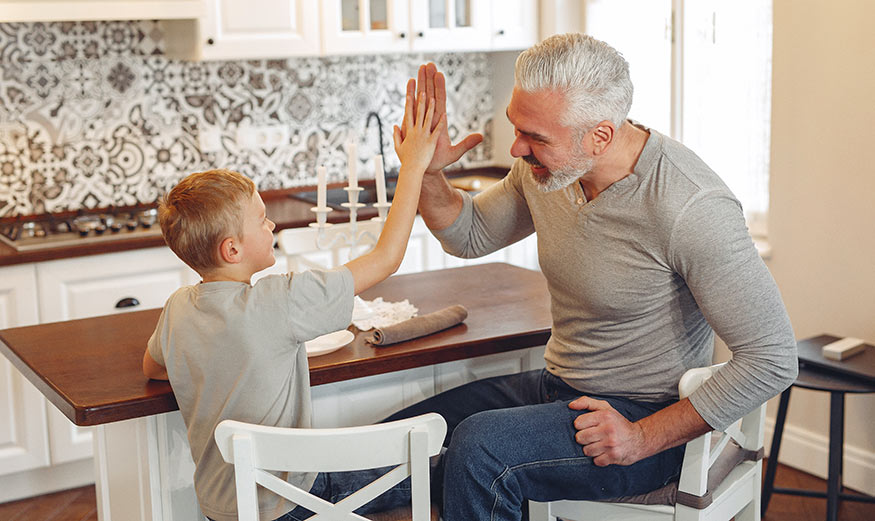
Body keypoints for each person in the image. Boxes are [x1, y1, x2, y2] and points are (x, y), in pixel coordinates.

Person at [385, 33, 798, 521]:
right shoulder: (547, 172)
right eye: (517, 128)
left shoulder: (690, 205)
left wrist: (641, 437)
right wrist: (428, 173)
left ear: (599, 136)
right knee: (408, 435)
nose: (517, 147)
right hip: (559, 389)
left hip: (642, 418)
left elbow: (773, 359)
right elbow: (469, 234)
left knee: (480, 449)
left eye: (535, 137)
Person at [141, 89, 444, 521]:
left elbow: (152, 369)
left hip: (220, 508)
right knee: (447, 462)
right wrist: (412, 165)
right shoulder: (279, 301)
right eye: (262, 219)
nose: (273, 224)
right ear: (232, 249)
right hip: (294, 501)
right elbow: (386, 258)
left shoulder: (176, 308)